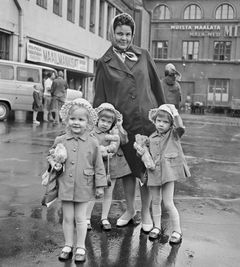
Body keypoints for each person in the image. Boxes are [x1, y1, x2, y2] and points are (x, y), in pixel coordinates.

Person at [93, 13, 166, 232]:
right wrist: (97, 126)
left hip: (146, 122)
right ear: (112, 34)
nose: (123, 38)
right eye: (119, 34)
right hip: (122, 126)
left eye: (127, 34)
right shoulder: (104, 62)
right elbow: (100, 97)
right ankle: (130, 209)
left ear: (132, 35)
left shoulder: (144, 55)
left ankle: (145, 213)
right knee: (126, 170)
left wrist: (165, 114)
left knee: (144, 168)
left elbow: (156, 86)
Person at [50, 98, 107, 263]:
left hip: (85, 186)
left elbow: (99, 166)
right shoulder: (60, 140)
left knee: (81, 218)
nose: (76, 122)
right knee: (67, 218)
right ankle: (68, 245)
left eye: (81, 120)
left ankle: (81, 246)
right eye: (73, 118)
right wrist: (54, 161)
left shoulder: (93, 142)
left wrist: (100, 186)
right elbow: (51, 155)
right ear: (67, 120)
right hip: (65, 186)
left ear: (88, 122)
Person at [136, 104, 191, 243]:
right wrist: (140, 150)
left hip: (168, 173)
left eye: (165, 122)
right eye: (159, 121)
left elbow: (180, 127)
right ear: (154, 121)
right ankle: (157, 227)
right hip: (154, 172)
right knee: (155, 201)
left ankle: (177, 231)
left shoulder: (174, 135)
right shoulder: (151, 137)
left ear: (170, 123)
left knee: (168, 203)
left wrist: (175, 113)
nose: (161, 124)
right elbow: (145, 155)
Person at [86, 103, 131, 231]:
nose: (105, 124)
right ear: (97, 120)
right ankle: (86, 218)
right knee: (94, 192)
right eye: (103, 120)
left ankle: (104, 218)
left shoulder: (113, 133)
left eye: (108, 121)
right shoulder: (92, 132)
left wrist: (119, 126)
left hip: (111, 167)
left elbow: (122, 141)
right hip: (96, 168)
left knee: (108, 193)